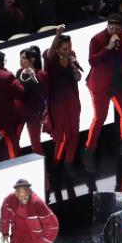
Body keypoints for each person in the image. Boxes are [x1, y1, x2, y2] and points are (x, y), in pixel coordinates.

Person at [83, 13, 122, 173]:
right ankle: (89, 151)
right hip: (101, 84)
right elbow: (92, 61)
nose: (115, 29)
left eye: (118, 26)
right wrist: (108, 47)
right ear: (107, 25)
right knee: (100, 118)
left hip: (118, 81)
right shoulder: (97, 39)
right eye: (112, 26)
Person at [44, 27, 83, 168]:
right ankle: (56, 163)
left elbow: (78, 77)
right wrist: (58, 34)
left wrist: (74, 68)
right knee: (63, 136)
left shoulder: (72, 56)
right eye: (65, 48)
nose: (68, 50)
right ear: (58, 48)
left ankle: (68, 162)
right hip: (57, 101)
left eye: (69, 47)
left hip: (72, 99)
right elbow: (50, 52)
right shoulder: (51, 58)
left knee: (74, 134)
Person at [16, 46, 49, 155]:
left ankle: (44, 170)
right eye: (20, 58)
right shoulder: (19, 72)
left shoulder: (41, 74)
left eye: (24, 58)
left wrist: (34, 77)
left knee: (35, 144)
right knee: (14, 141)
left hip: (33, 114)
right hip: (19, 113)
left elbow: (44, 93)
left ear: (32, 60)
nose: (21, 61)